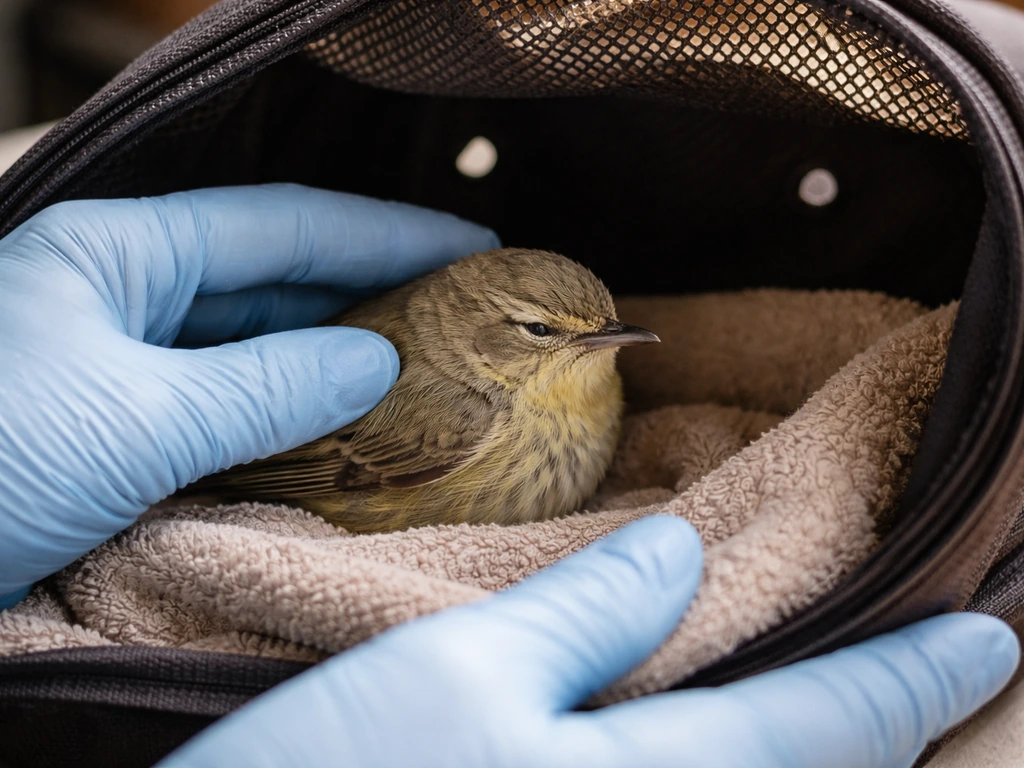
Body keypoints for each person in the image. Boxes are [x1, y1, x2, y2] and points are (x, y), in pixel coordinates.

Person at [0, 184, 1017, 768]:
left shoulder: (590, 381)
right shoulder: (458, 412)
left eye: (603, 330)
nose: (604, 347)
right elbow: (308, 480)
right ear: (489, 340)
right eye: (541, 335)